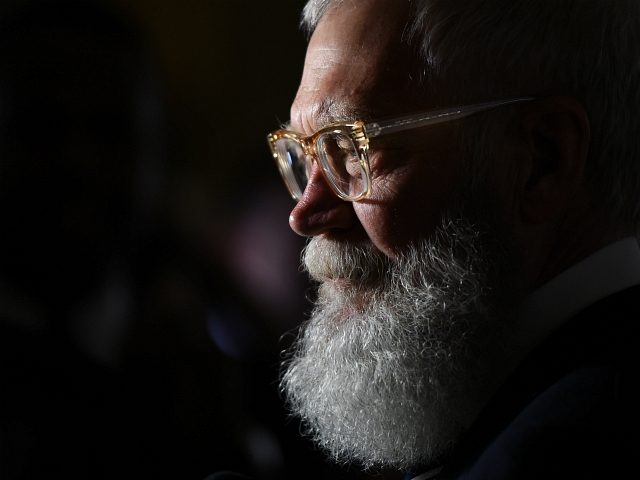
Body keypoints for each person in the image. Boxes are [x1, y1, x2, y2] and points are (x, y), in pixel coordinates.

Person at [267, 0, 640, 478]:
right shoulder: (492, 404)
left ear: (542, 161)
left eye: (352, 150)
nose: (306, 214)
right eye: (303, 152)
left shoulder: (571, 448)